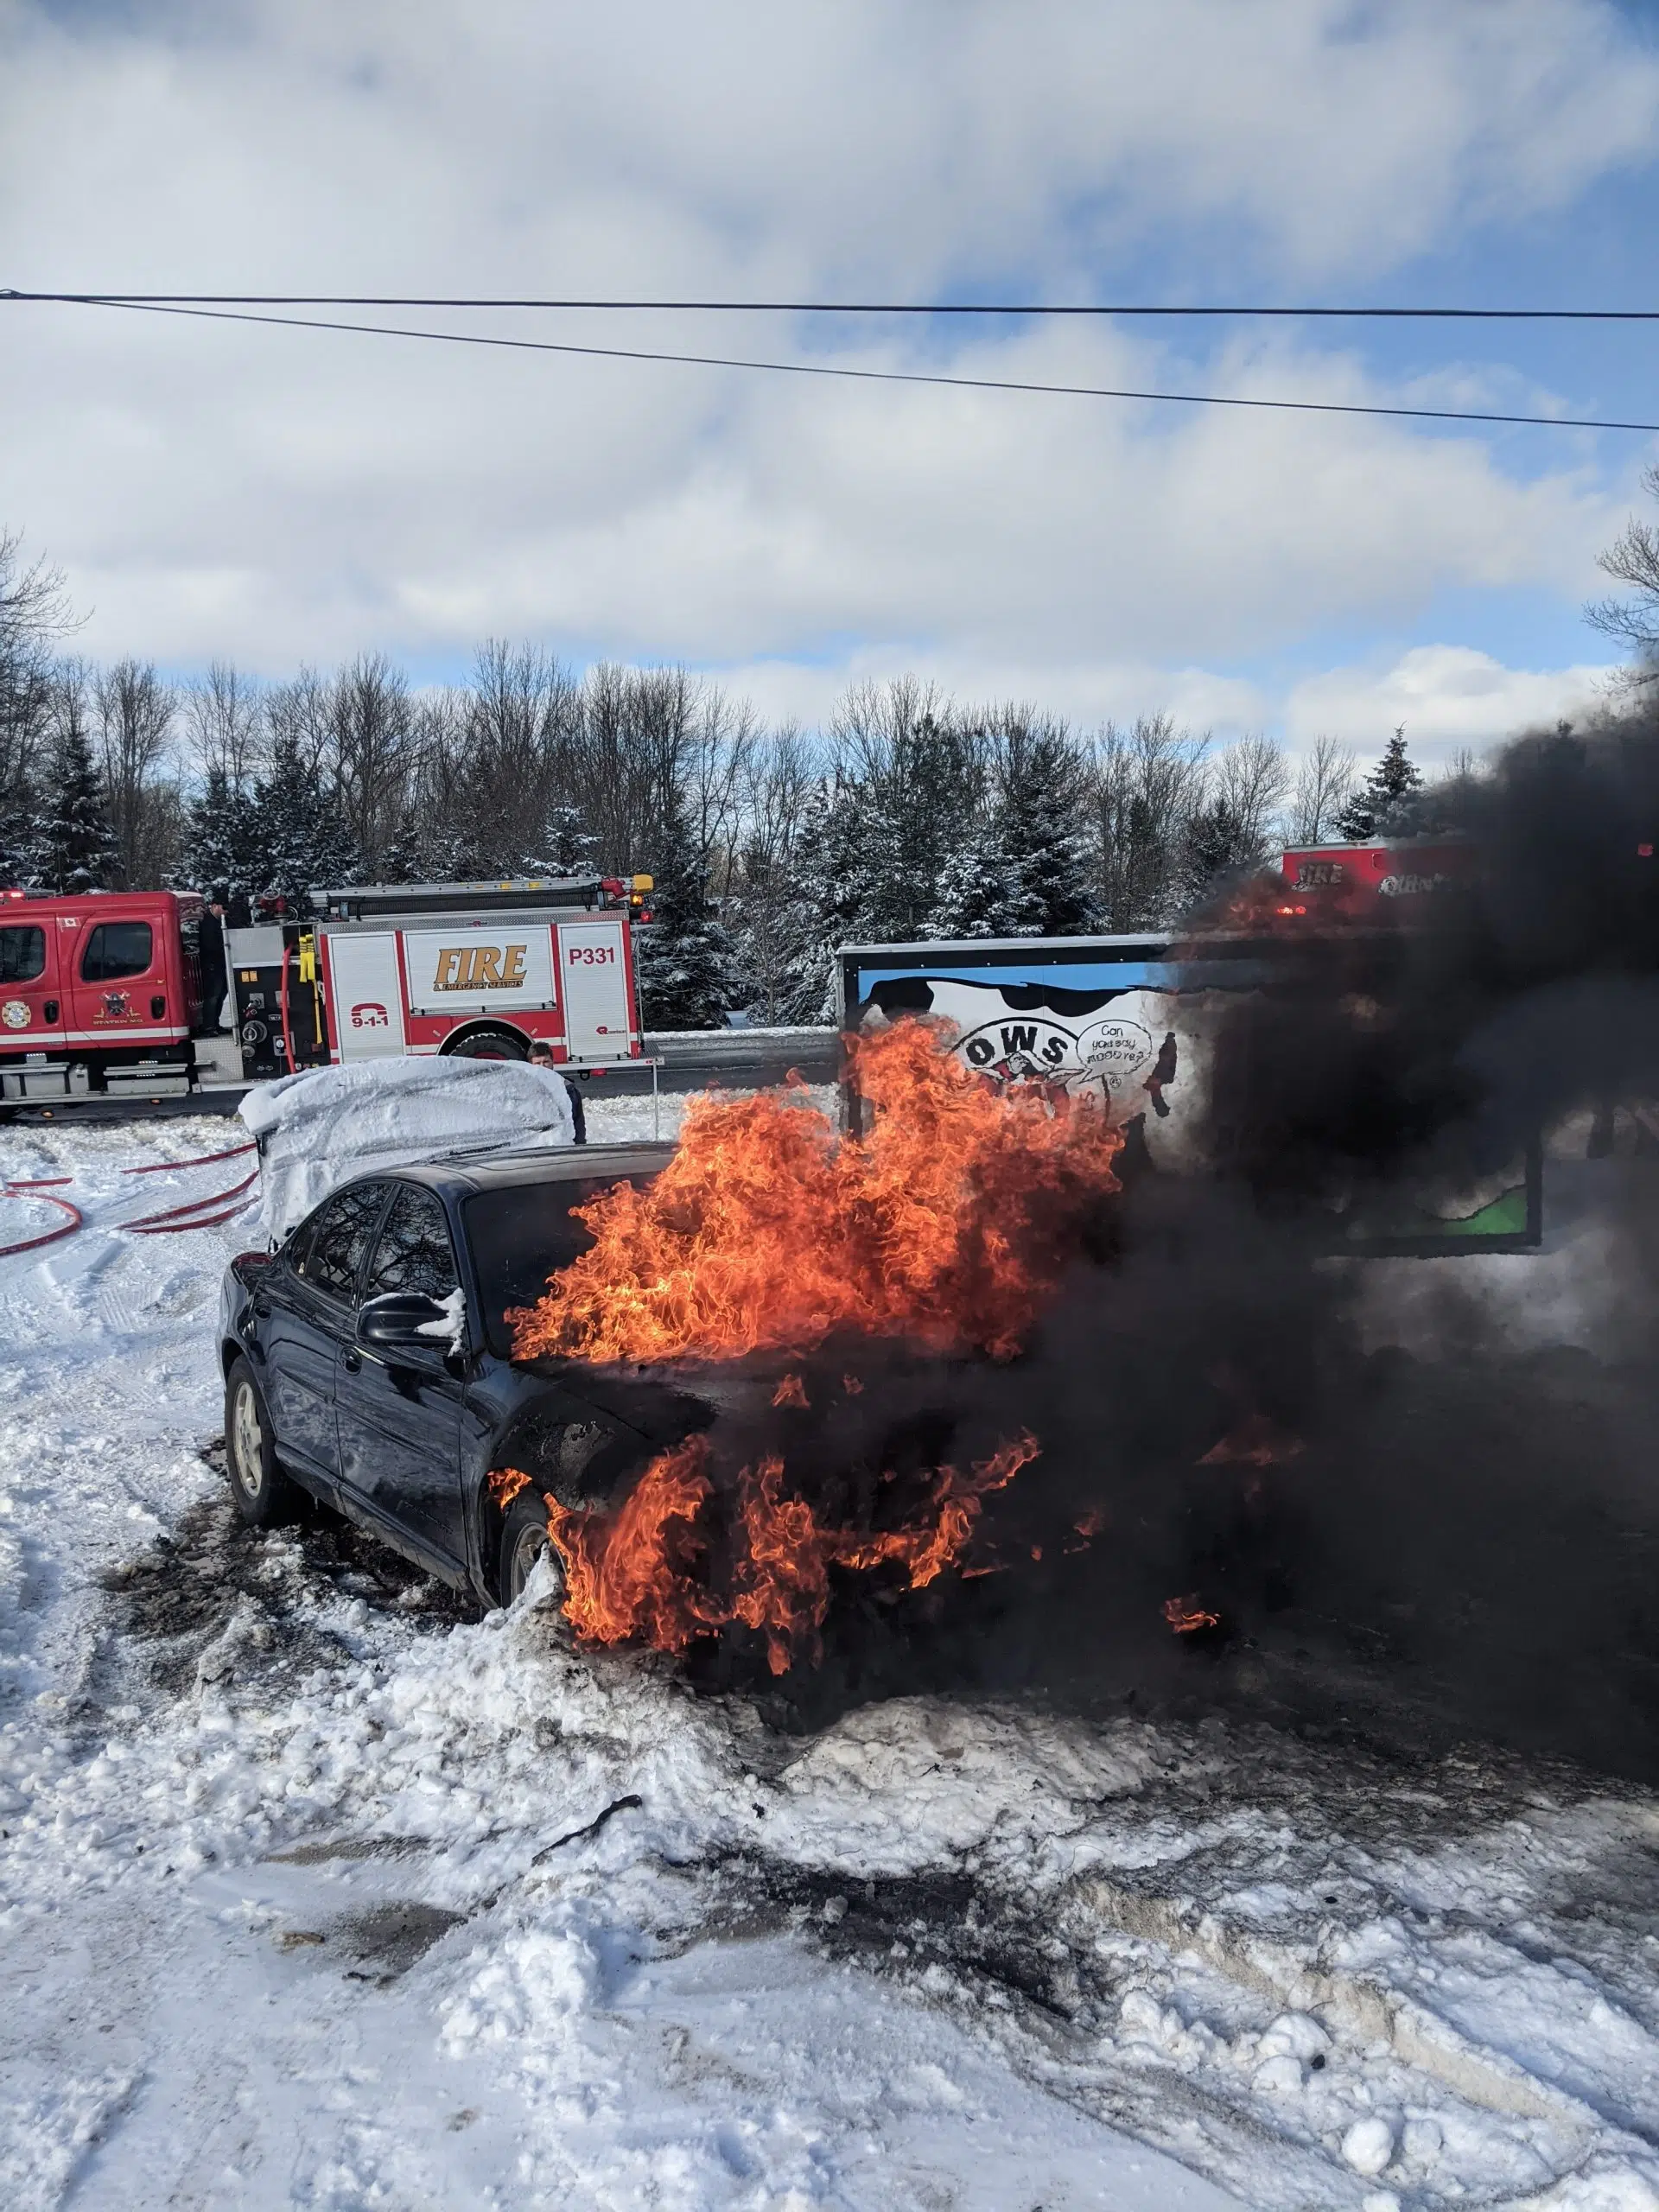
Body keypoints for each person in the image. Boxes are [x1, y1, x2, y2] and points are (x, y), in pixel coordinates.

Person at [527, 1039, 587, 1144]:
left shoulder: (570, 1090)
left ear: (552, 1062)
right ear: (530, 1065)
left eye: (546, 1062)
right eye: (537, 1063)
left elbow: (579, 1125)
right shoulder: (523, 1092)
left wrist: (579, 1148)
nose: (542, 1067)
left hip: (564, 1148)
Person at [196, 887, 230, 1035]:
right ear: (214, 906)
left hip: (220, 965)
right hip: (211, 966)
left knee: (221, 995)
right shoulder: (208, 923)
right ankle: (209, 1025)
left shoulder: (219, 921)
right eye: (223, 908)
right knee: (212, 996)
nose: (225, 912)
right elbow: (210, 946)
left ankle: (215, 1023)